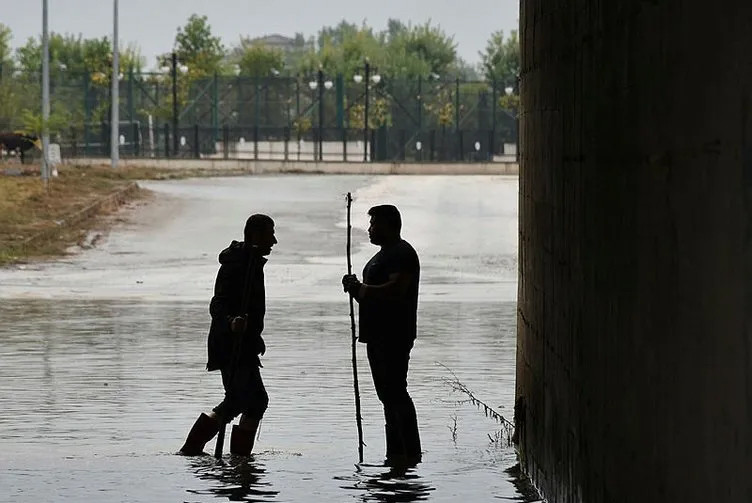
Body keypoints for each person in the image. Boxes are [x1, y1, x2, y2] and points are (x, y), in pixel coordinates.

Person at [179, 214, 277, 456]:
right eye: (269, 234)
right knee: (253, 400)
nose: (274, 241)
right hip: (230, 343)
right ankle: (232, 459)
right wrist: (231, 322)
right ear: (255, 235)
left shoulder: (252, 262)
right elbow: (217, 304)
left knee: (241, 401)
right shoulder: (236, 264)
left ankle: (225, 457)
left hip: (244, 343)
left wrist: (254, 335)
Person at [342, 204, 422, 465]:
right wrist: (355, 289)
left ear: (389, 225)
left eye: (374, 224)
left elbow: (396, 290)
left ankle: (408, 453)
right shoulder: (383, 255)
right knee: (387, 394)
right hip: (377, 335)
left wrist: (362, 289)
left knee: (395, 392)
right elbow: (373, 294)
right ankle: (397, 454)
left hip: (394, 334)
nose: (369, 229)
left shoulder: (401, 253)